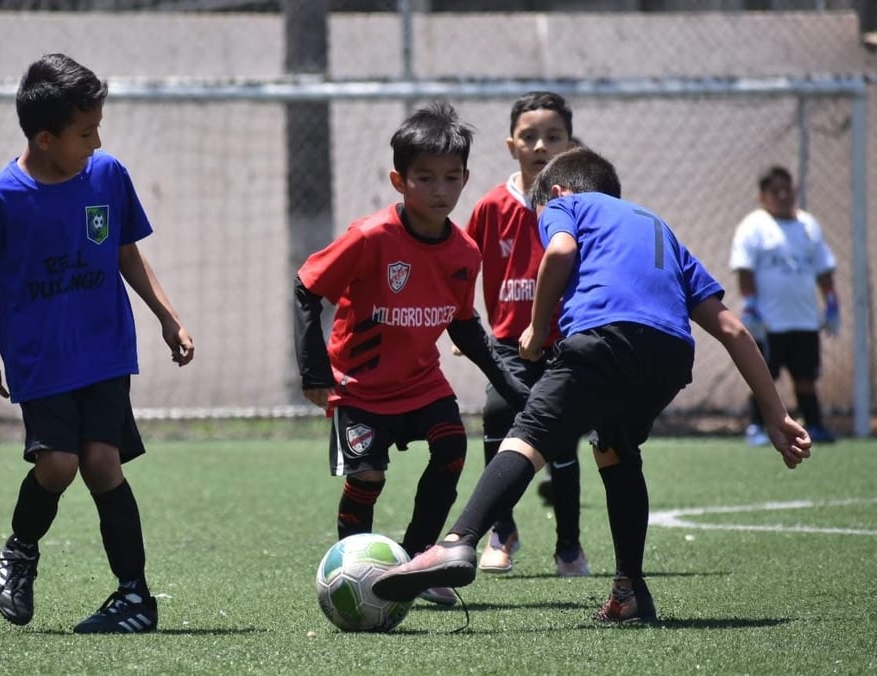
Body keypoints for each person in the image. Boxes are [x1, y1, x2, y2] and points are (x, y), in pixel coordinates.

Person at [372, 147, 812, 623]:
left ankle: (458, 542)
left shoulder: (567, 203)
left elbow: (560, 251)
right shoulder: (661, 231)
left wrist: (538, 331)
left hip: (604, 338)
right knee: (615, 447)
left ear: (559, 193)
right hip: (669, 357)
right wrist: (776, 413)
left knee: (530, 433)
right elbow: (733, 329)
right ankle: (630, 592)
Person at [0, 53, 194, 634]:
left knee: (103, 463)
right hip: (41, 359)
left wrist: (167, 316)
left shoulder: (107, 175)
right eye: (85, 132)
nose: (97, 140)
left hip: (106, 348)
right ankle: (21, 549)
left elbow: (125, 251)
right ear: (44, 137)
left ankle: (134, 598)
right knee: (58, 465)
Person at [294, 100, 529, 608]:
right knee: (368, 478)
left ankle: (420, 561)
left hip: (422, 384)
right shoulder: (371, 236)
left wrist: (511, 384)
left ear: (465, 179)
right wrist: (314, 369)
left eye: (451, 177)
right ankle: (350, 572)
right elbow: (306, 287)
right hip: (360, 388)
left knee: (451, 448)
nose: (440, 190)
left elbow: (465, 327)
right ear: (399, 181)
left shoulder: (465, 252)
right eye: (425, 178)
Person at [463, 91, 588, 577]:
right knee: (497, 414)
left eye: (553, 136)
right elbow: (461, 266)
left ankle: (569, 548)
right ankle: (502, 531)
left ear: (569, 143)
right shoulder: (492, 206)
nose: (541, 145)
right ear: (511, 144)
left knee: (563, 441)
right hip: (508, 341)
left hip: (565, 341)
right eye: (530, 136)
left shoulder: (579, 205)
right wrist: (461, 322)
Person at [729, 165, 839, 446]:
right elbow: (745, 269)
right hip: (769, 322)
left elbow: (823, 269)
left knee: (806, 378)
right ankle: (756, 427)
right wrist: (751, 305)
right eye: (774, 191)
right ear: (762, 197)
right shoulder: (753, 226)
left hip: (804, 320)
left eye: (786, 189)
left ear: (794, 190)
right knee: (765, 377)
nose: (782, 195)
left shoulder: (808, 225)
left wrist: (831, 303)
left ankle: (814, 425)